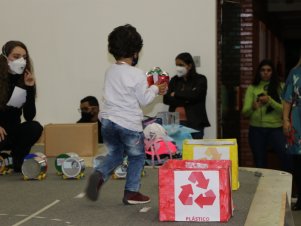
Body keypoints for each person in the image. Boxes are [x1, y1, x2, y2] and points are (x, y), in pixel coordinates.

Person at [85, 24, 167, 204]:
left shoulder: (110, 71)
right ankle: (131, 192)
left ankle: (99, 174)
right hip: (128, 123)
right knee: (137, 156)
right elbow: (144, 100)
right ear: (136, 52)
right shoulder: (137, 74)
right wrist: (155, 88)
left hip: (107, 122)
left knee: (116, 153)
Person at [0, 41, 43, 172]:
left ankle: (16, 160)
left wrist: (30, 88)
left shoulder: (24, 80)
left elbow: (29, 116)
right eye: (16, 56)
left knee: (34, 127)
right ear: (5, 57)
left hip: (11, 132)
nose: (21, 61)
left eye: (24, 57)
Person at [242, 59, 290, 171]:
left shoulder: (281, 87)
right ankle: (262, 187)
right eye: (263, 70)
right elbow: (245, 112)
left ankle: (287, 185)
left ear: (273, 72)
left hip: (276, 129)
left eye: (269, 70)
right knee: (259, 162)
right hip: (256, 130)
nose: (266, 73)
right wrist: (252, 107)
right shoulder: (252, 87)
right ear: (259, 72)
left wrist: (269, 101)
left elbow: (284, 110)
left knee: (286, 158)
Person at [163, 52, 210, 139]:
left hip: (194, 122)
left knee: (195, 149)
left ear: (189, 66)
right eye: (176, 65)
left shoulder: (201, 79)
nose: (178, 67)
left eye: (181, 65)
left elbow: (196, 96)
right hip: (171, 121)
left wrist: (176, 94)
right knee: (174, 150)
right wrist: (187, 98)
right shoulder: (174, 80)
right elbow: (166, 99)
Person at [282, 49, 301, 211]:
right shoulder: (294, 73)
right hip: (298, 121)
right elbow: (287, 99)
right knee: (298, 161)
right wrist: (286, 120)